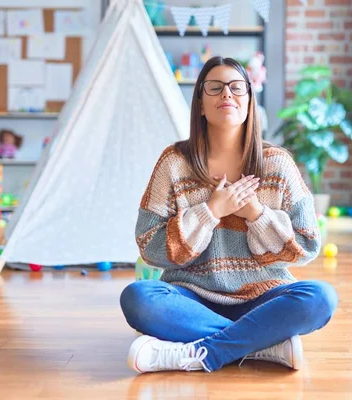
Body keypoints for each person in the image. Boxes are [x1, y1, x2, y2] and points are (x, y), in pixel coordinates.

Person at [120, 56, 338, 374]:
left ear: (249, 102)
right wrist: (211, 211)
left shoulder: (277, 164)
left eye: (237, 87)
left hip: (264, 295)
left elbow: (306, 244)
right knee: (138, 297)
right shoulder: (174, 162)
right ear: (200, 104)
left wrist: (256, 214)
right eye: (215, 87)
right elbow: (148, 242)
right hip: (191, 298)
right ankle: (263, 344)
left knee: (321, 298)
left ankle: (204, 350)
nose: (227, 94)